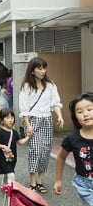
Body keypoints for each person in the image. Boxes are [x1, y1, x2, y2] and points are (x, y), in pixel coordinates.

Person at [19, 56, 64, 192]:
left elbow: (55, 103)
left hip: (47, 120)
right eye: (39, 68)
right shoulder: (26, 86)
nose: (43, 71)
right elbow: (24, 108)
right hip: (33, 120)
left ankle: (40, 182)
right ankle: (32, 183)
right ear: (32, 71)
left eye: (44, 68)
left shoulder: (50, 85)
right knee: (35, 151)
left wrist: (60, 116)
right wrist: (28, 125)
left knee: (45, 151)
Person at [54, 92, 93, 206]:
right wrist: (58, 180)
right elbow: (60, 157)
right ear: (75, 117)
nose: (85, 114)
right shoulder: (72, 138)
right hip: (85, 185)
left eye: (89, 109)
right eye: (80, 112)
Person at [0, 108, 30, 185]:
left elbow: (20, 142)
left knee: (7, 172)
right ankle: (11, 190)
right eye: (7, 118)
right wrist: (4, 146)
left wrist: (28, 137)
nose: (10, 120)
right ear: (2, 120)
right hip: (3, 157)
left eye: (12, 118)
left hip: (12, 157)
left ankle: (4, 185)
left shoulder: (14, 132)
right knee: (11, 174)